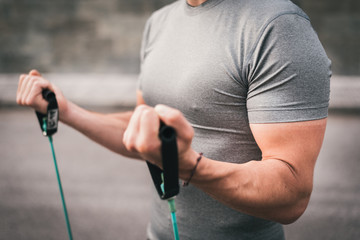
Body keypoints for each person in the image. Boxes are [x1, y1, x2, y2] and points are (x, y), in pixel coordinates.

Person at [16, 0, 331, 239]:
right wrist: (66, 110)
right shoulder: (160, 22)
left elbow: (292, 192)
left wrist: (190, 165)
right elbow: (145, 131)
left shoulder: (279, 25)